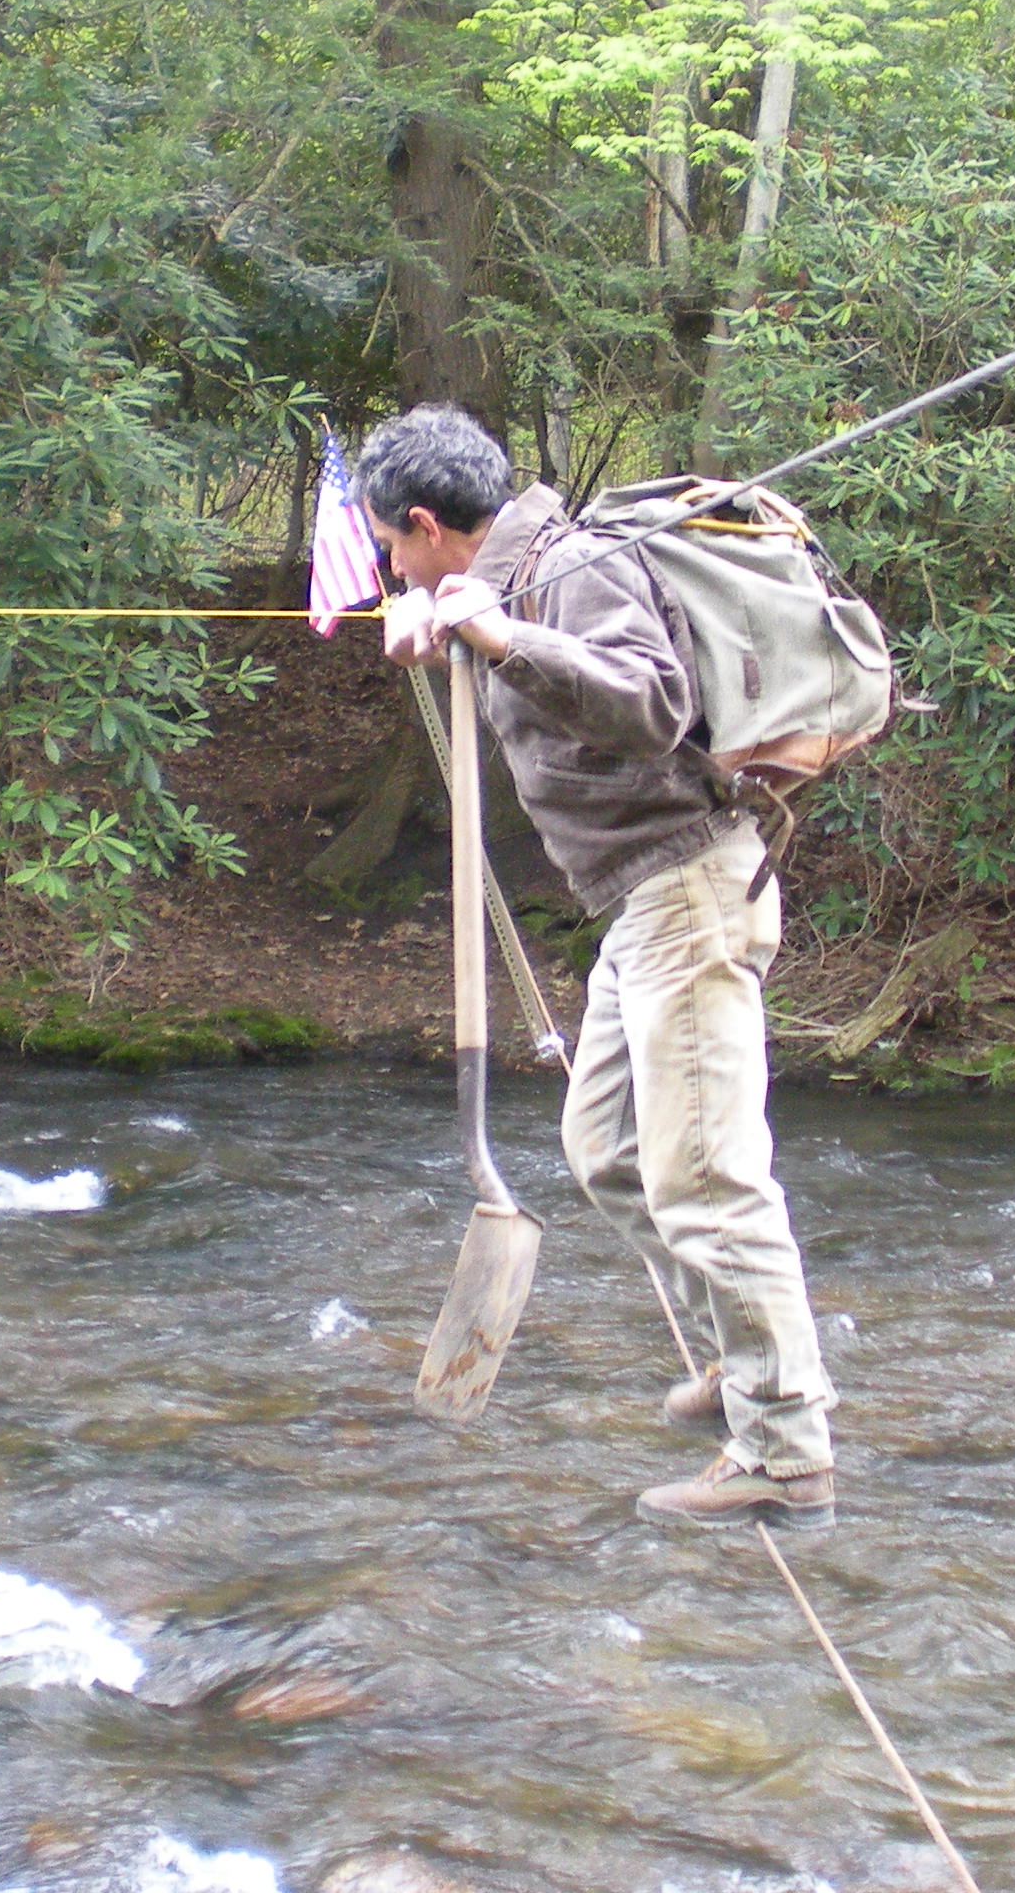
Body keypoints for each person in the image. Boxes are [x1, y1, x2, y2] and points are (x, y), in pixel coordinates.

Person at [357, 403, 840, 1528]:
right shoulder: (504, 582)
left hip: (689, 890)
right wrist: (445, 629)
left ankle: (784, 1445)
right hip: (640, 906)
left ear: (427, 524)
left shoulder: (570, 568)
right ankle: (741, 1354)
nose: (391, 567)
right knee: (607, 1149)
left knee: (709, 1182)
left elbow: (651, 700)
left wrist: (498, 638)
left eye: (393, 548)